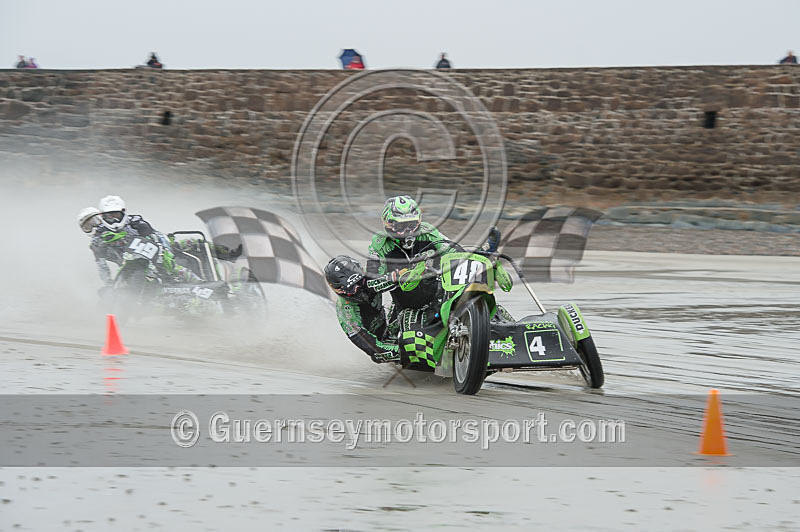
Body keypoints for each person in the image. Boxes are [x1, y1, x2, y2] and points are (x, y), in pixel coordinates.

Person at [94, 195, 200, 284]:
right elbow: (101, 263)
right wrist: (108, 282)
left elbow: (155, 237)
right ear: (102, 216)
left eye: (116, 215)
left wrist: (163, 252)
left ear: (123, 212)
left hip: (154, 253)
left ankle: (200, 282)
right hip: (127, 266)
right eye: (109, 216)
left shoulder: (136, 221)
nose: (114, 220)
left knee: (172, 263)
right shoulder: (99, 235)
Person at [325, 255, 399, 363]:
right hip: (381, 340)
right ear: (339, 290)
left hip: (386, 317)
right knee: (382, 354)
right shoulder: (346, 309)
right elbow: (373, 349)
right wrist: (401, 351)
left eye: (360, 282)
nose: (359, 290)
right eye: (351, 288)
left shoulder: (372, 274)